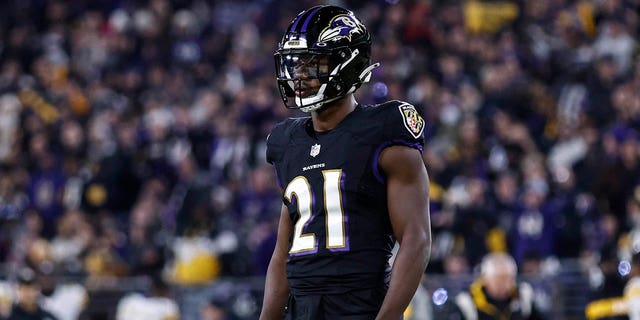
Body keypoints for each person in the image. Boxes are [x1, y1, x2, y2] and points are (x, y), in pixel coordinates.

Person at [260, 5, 431, 320]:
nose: (299, 74)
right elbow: (283, 253)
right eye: (296, 63)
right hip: (301, 309)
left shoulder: (383, 131)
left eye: (313, 63)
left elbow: (416, 239)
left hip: (360, 308)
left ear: (347, 63)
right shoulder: (287, 142)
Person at [450, 252, 544, 320]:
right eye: (499, 278)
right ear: (485, 278)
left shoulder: (523, 295)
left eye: (509, 278)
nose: (505, 284)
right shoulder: (466, 301)